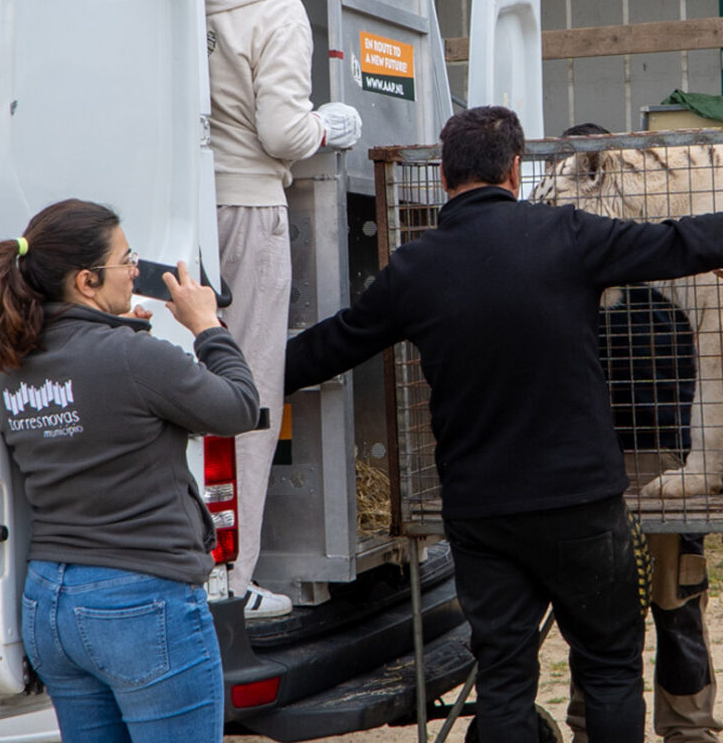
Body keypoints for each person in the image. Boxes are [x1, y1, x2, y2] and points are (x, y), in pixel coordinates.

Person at [284, 105, 723, 743]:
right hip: (581, 503)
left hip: (481, 511)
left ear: (441, 176)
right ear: (515, 169)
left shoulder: (414, 268)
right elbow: (680, 241)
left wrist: (226, 355)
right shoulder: (567, 234)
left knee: (506, 676)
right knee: (609, 665)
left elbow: (334, 343)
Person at [0, 199, 260, 743]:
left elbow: (101, 414)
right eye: (127, 260)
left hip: (50, 603)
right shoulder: (131, 358)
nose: (135, 270)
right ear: (86, 280)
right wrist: (207, 325)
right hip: (141, 600)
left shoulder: (11, 363)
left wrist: (125, 337)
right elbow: (239, 406)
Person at [202, 0, 362, 618]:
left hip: (191, 202)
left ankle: (197, 561)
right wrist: (329, 125)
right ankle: (234, 576)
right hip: (251, 208)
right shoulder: (274, 3)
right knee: (250, 391)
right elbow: (282, 134)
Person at [560, 123, 721, 743]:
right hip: (595, 463)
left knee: (675, 598)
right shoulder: (580, 260)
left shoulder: (660, 249)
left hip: (662, 457)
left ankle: (688, 727)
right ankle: (590, 725)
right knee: (596, 607)